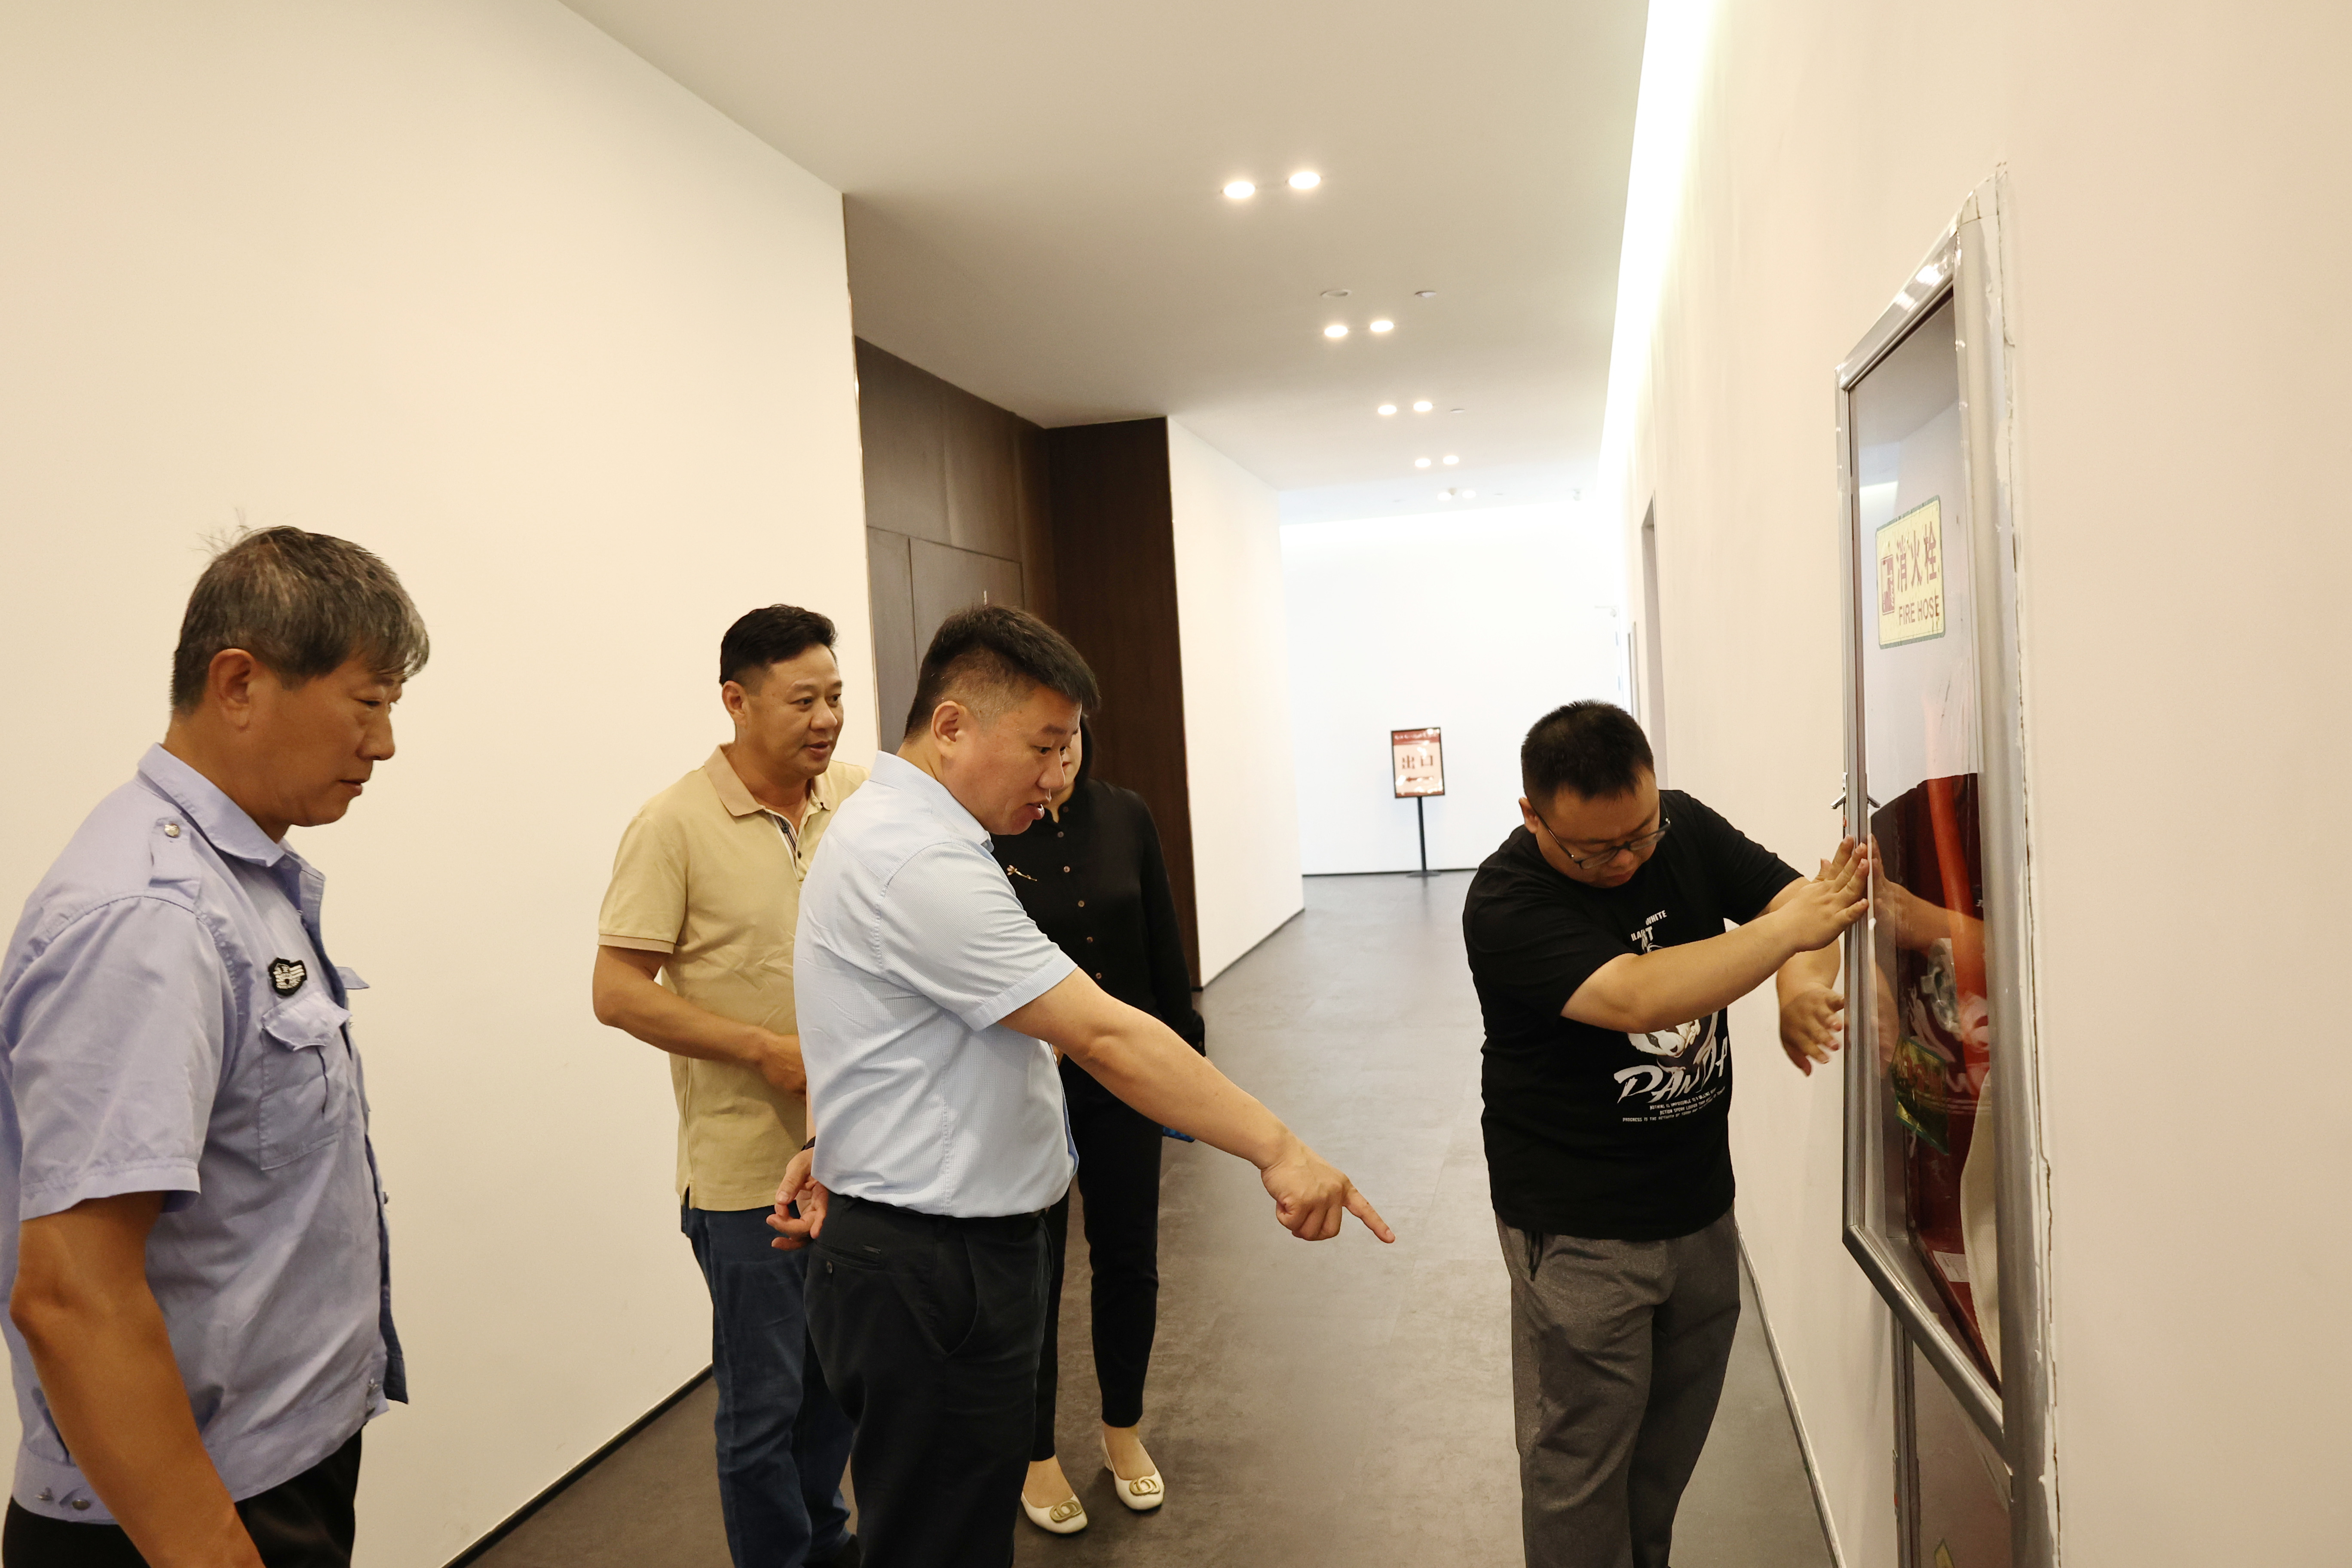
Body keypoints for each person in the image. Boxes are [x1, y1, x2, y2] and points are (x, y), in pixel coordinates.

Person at [769, 605, 1391, 1568]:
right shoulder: (916, 857)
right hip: (931, 1268)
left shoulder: (915, 830)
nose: (1058, 775)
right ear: (952, 727)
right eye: (1043, 745)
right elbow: (1102, 1034)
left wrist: (834, 1143)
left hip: (928, 1245)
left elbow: (876, 1029)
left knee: (949, 1530)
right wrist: (1279, 1148)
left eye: (1069, 748)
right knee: (940, 1543)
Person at [0, 527, 428, 1566]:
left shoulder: (241, 885)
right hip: (185, 1518)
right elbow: (71, 1295)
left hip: (268, 1471)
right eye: (367, 703)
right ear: (239, 683)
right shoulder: (152, 920)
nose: (383, 745)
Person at [1460, 701, 1866, 1568]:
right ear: (1533, 816)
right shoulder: (1504, 901)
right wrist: (1785, 937)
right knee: (1580, 1466)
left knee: (1662, 1459)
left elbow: (1801, 906)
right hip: (1578, 1230)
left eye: (1640, 834)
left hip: (1699, 1209)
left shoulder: (1680, 826)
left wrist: (1799, 985)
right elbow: (1635, 997)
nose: (1627, 860)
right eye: (1595, 850)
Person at [591, 605, 864, 1568]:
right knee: (764, 1408)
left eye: (835, 696)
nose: (827, 719)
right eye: (803, 701)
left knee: (836, 1388)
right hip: (746, 1180)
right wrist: (761, 1050)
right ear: (736, 702)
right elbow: (616, 992)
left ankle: (824, 1541)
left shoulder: (858, 799)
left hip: (855, 1161)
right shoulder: (671, 825)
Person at [991, 719, 1202, 1536]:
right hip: (1028, 1080)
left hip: (1124, 1075)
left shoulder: (1126, 813)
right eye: (1045, 740)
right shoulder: (993, 826)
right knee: (1035, 1269)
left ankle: (1122, 1429)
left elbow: (1161, 938)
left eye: (1072, 733)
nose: (1062, 753)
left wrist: (1187, 1057)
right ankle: (1035, 1452)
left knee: (1128, 1256)